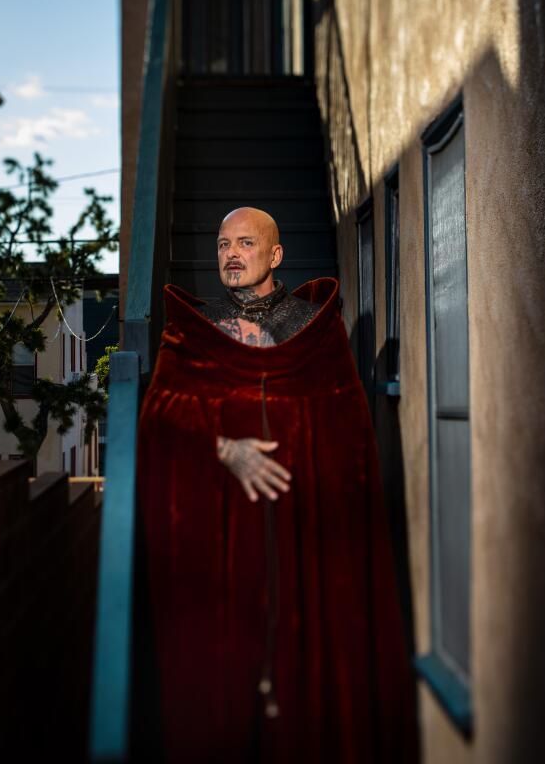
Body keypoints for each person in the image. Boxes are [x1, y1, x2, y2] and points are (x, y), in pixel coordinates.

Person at [137, 207, 415, 762]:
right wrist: (221, 447)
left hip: (303, 529)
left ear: (275, 254)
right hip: (224, 536)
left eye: (245, 243)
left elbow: (346, 422)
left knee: (301, 671)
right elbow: (159, 414)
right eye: (222, 245)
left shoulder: (315, 328)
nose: (231, 255)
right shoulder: (193, 332)